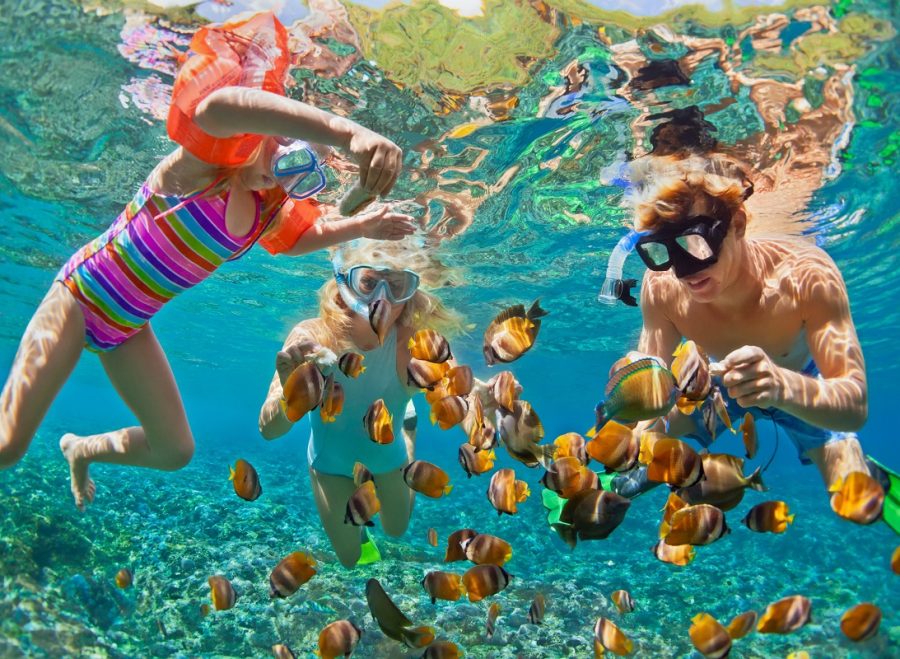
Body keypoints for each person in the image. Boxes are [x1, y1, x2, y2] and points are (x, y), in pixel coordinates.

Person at [0, 12, 417, 511]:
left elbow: (304, 237)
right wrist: (347, 134)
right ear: (266, 129)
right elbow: (220, 106)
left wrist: (363, 226)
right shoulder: (203, 167)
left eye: (299, 178)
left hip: (128, 327)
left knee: (175, 451)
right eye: (284, 157)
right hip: (80, 297)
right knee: (7, 446)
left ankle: (80, 449)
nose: (281, 180)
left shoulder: (265, 211)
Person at [606, 153, 893, 507]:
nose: (683, 271)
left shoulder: (806, 274)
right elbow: (653, 388)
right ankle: (657, 468)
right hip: (711, 385)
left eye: (696, 243)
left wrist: (778, 385)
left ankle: (857, 467)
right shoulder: (661, 285)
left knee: (851, 495)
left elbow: (855, 404)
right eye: (660, 250)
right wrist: (630, 432)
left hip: (799, 382)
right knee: (649, 435)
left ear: (738, 224)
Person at [258, 239, 461, 568]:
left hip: (388, 455)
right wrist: (289, 395)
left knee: (396, 530)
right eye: (368, 282)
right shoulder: (312, 337)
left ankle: (408, 435)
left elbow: (458, 391)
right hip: (330, 464)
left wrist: (483, 404)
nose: (381, 298)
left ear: (410, 294)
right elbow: (268, 430)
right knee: (351, 559)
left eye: (396, 285)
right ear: (344, 281)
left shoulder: (413, 341)